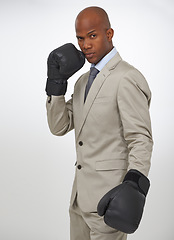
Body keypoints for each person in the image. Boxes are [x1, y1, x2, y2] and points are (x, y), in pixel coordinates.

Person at [45, 6, 153, 240]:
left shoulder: (127, 78)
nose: (85, 45)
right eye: (80, 38)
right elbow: (59, 127)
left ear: (109, 33)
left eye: (92, 36)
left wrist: (134, 185)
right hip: (79, 200)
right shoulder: (82, 81)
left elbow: (141, 138)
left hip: (109, 202)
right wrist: (56, 83)